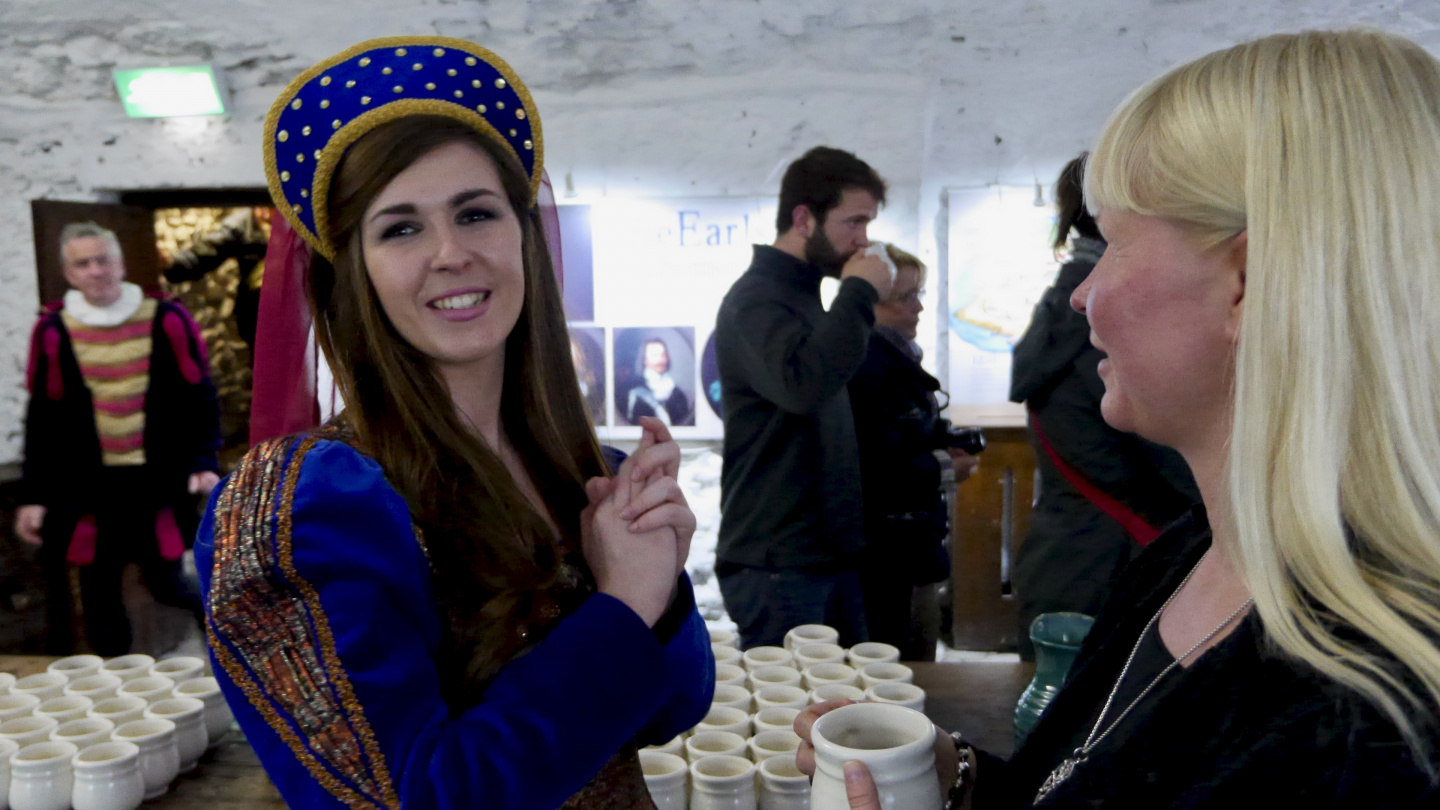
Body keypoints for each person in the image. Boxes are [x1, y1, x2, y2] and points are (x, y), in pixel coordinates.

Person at [798, 30, 1440, 808]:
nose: (1081, 293)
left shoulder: (1365, 741)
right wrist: (961, 781)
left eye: (1116, 243)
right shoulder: (1192, 553)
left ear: (1248, 279)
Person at [196, 37, 712, 809]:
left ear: (524, 236)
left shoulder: (576, 462)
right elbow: (411, 797)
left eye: (476, 213)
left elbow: (671, 710)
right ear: (354, 274)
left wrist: (657, 581)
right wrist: (624, 603)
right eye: (400, 228)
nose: (451, 253)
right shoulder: (312, 503)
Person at [1008, 155, 1199, 660]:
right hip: (1112, 568)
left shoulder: (1059, 311)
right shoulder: (1108, 319)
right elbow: (1165, 457)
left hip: (1065, 558)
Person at [714, 145, 895, 649]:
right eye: (853, 222)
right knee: (790, 721)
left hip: (821, 554)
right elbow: (803, 386)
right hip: (777, 562)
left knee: (843, 716)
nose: (864, 241)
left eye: (867, 224)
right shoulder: (754, 300)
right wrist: (859, 293)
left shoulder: (801, 296)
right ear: (803, 218)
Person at [15, 222, 221, 655]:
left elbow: (199, 395)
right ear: (69, 274)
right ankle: (120, 684)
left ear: (120, 263)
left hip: (157, 481)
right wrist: (34, 495)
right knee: (98, 593)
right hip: (89, 488)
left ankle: (233, 659)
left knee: (169, 583)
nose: (95, 271)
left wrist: (204, 461)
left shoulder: (167, 318)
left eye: (102, 259)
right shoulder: (53, 330)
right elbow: (43, 418)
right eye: (83, 263)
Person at [848, 244, 978, 660]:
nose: (919, 307)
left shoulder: (899, 359)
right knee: (900, 667)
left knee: (917, 652)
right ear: (874, 305)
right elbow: (876, 467)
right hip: (888, 554)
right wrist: (944, 466)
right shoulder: (864, 367)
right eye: (906, 296)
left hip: (911, 544)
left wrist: (942, 440)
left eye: (919, 293)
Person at [623, 337, 692, 426]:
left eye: (663, 355)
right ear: (645, 360)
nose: (660, 360)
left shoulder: (678, 394)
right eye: (655, 355)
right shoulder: (634, 392)